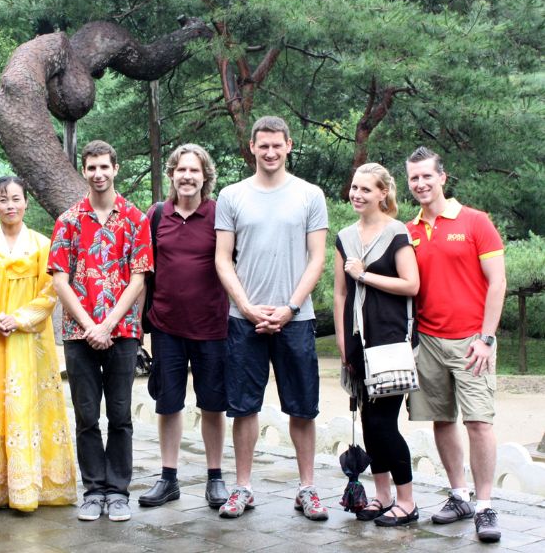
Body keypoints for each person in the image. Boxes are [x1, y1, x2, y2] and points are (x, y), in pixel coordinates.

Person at [214, 116, 328, 520]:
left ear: (289, 145)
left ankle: (307, 488)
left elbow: (317, 258)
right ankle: (242, 487)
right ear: (252, 146)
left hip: (295, 318)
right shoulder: (232, 196)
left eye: (277, 145)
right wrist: (245, 305)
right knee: (243, 407)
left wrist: (290, 307)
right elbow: (222, 259)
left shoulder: (310, 195)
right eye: (263, 145)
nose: (270, 152)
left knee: (302, 407)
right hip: (244, 318)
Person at [0, 176, 77, 511]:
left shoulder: (42, 245)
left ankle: (29, 489)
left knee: (27, 407)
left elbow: (50, 292)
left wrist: (19, 318)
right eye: (3, 199)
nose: (10, 205)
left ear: (26, 203)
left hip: (29, 341)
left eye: (16, 199)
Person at [405, 147, 506, 543]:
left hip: (471, 342)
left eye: (427, 176)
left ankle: (484, 506)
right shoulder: (408, 231)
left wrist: (486, 338)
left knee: (479, 423)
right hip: (427, 341)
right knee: (442, 420)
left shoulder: (476, 222)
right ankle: (459, 495)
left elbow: (497, 283)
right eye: (414, 178)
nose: (421, 184)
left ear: (442, 178)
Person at [48, 140, 152, 522]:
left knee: (121, 415)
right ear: (84, 171)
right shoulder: (69, 220)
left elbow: (139, 277)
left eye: (104, 167)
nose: (98, 174)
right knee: (87, 415)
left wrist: (108, 323)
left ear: (116, 168)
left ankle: (118, 491)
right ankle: (93, 490)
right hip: (79, 334)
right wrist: (90, 324)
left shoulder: (135, 219)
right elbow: (60, 280)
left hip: (122, 332)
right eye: (91, 168)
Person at [137, 144, 230, 509]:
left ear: (205, 176)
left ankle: (216, 477)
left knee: (212, 405)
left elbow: (233, 266)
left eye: (195, 170)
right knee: (168, 404)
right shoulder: (157, 214)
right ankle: (169, 478)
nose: (187, 176)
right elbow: (144, 273)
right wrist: (140, 327)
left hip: (212, 327)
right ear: (172, 174)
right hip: (167, 328)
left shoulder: (220, 215)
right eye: (181, 170)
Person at [333, 163, 420, 526]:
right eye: (354, 187)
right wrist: (341, 344)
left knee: (385, 424)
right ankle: (381, 495)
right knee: (369, 423)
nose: (357, 195)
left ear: (383, 193)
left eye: (366, 189)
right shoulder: (345, 236)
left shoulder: (397, 232)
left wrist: (365, 275)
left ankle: (407, 501)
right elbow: (340, 294)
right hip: (357, 344)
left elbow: (411, 285)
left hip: (390, 342)